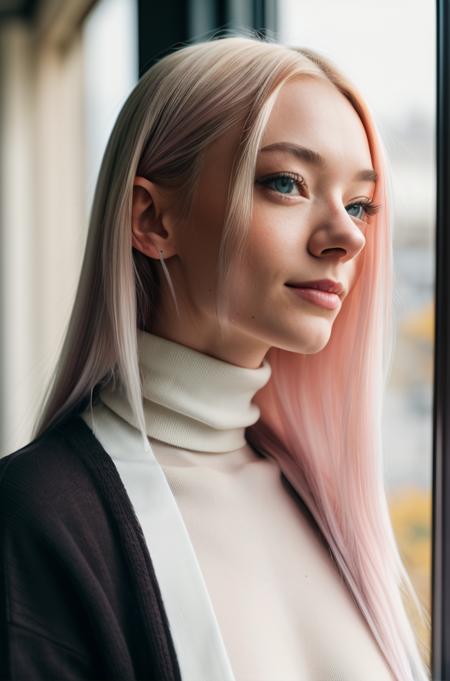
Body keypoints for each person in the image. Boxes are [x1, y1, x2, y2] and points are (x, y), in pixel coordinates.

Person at [0, 33, 430, 681]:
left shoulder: (325, 500)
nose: (347, 235)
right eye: (287, 182)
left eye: (360, 203)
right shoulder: (38, 516)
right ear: (152, 218)